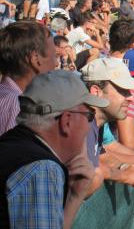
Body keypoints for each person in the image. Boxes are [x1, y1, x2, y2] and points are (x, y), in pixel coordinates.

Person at [0, 70, 109, 229]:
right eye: (89, 116)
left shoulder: (14, 140)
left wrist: (74, 196)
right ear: (66, 121)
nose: (89, 125)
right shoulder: (42, 168)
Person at [81, 58, 134, 194]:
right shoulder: (80, 123)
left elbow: (101, 160)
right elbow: (87, 175)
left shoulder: (97, 122)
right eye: (123, 91)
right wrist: (124, 175)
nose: (132, 98)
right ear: (96, 92)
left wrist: (127, 167)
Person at [0, 21, 56, 136]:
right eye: (54, 55)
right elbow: (13, 152)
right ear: (35, 59)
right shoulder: (16, 106)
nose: (56, 63)